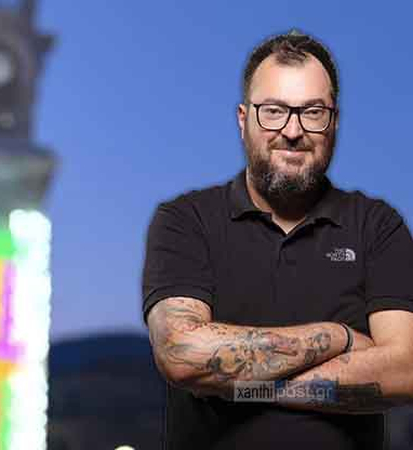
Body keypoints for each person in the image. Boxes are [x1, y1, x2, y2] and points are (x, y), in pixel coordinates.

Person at [142, 31, 413, 449]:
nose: (292, 130)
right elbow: (181, 353)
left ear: (334, 121)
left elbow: (405, 371)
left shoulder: (378, 226)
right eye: (273, 111)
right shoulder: (185, 220)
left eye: (313, 112)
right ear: (243, 119)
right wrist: (337, 337)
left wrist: (242, 386)